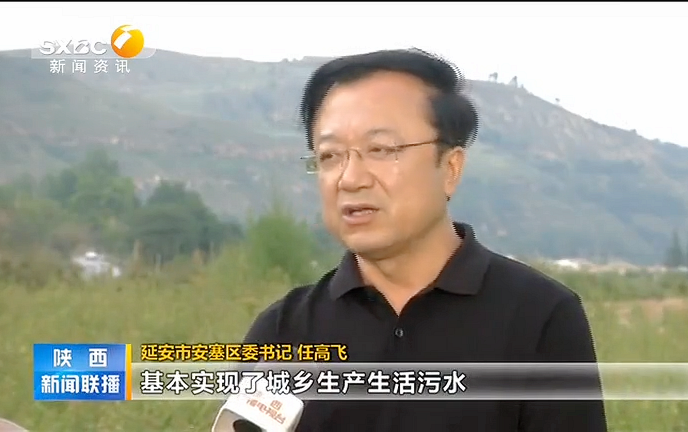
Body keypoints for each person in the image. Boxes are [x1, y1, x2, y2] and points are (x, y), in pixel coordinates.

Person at [242, 48, 608, 432]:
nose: (350, 178)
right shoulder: (282, 332)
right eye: (330, 155)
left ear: (450, 168)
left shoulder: (539, 316)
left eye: (380, 150)